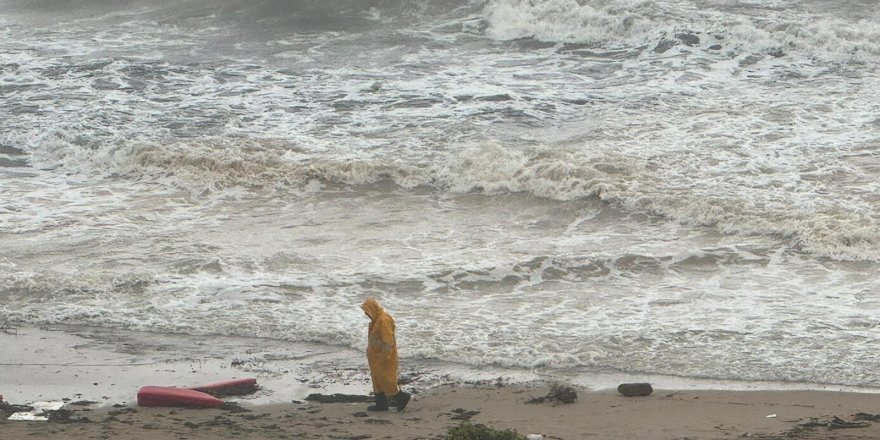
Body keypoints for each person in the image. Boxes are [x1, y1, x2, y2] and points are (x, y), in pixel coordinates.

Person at [361, 297, 411, 411]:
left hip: (384, 357)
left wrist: (385, 356)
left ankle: (401, 397)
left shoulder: (383, 320)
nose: (366, 314)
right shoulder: (376, 320)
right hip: (376, 356)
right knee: (377, 380)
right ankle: (381, 404)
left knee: (387, 380)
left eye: (367, 311)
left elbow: (388, 341)